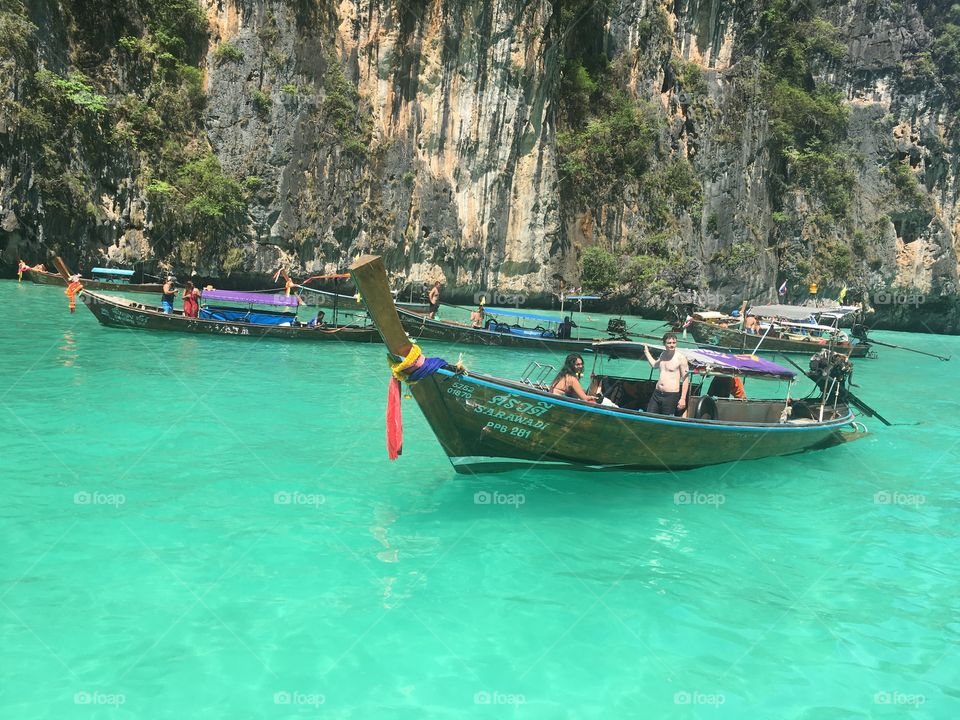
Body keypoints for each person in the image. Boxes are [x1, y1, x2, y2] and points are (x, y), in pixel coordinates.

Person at [642, 333, 690, 416]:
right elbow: (654, 365)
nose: (672, 345)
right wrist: (646, 352)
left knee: (666, 418)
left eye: (674, 343)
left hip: (671, 395)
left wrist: (683, 398)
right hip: (657, 393)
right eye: (669, 343)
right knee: (649, 416)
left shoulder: (681, 358)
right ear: (664, 344)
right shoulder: (663, 354)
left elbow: (685, 379)